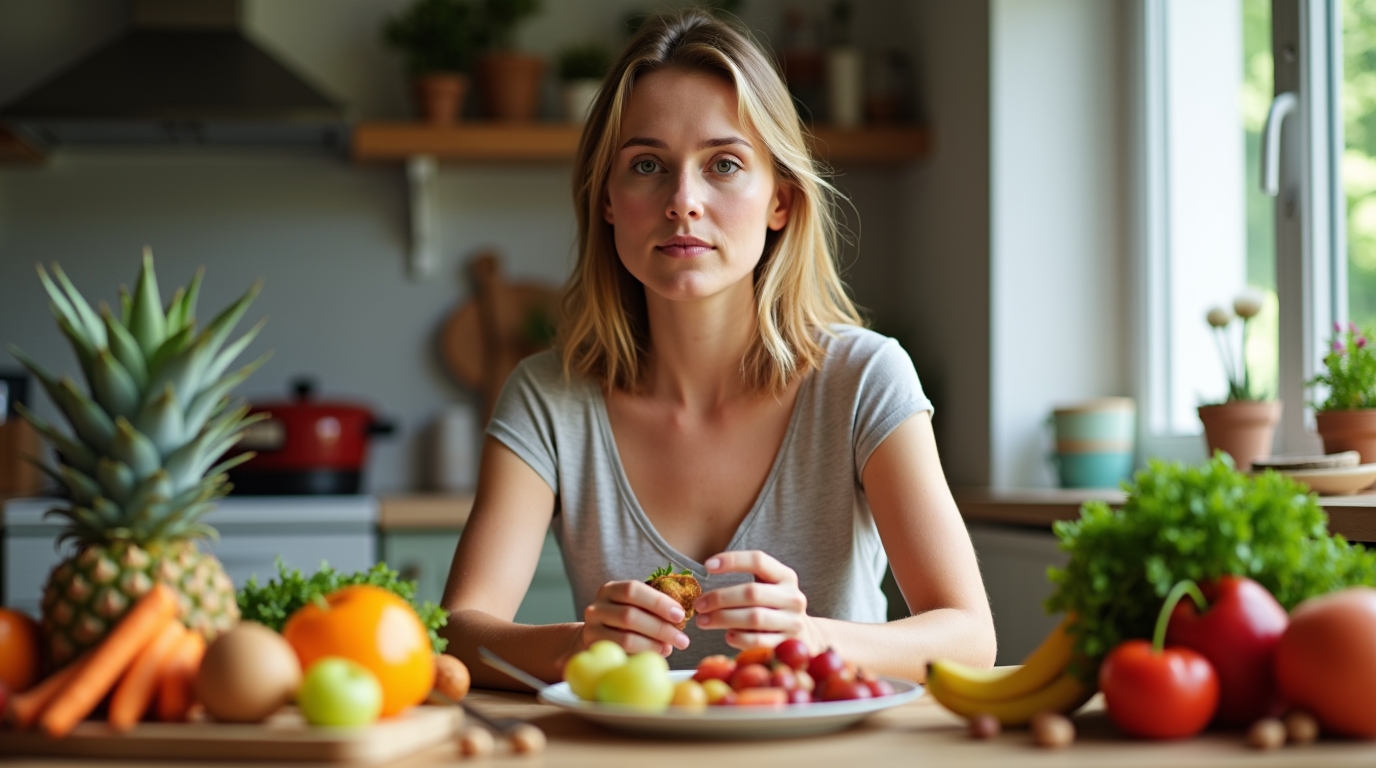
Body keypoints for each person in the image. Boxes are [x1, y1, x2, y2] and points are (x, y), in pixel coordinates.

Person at [440, 9, 996, 688]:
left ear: (781, 202)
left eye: (724, 164)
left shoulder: (865, 378)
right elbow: (460, 633)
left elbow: (969, 637)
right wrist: (579, 644)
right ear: (608, 200)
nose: (683, 201)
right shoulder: (547, 397)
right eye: (647, 165)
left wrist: (810, 636)